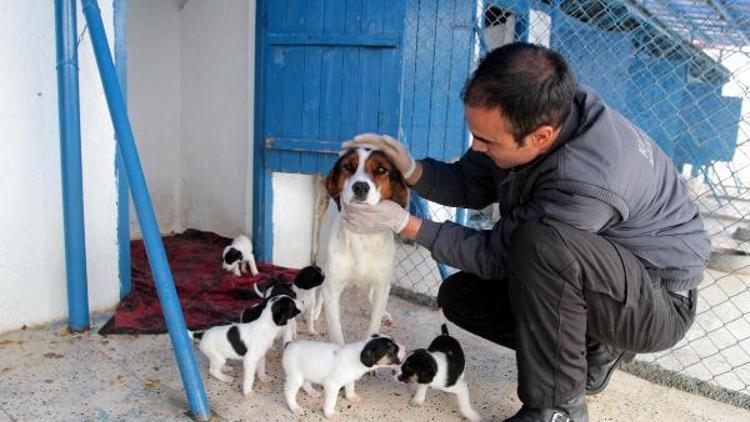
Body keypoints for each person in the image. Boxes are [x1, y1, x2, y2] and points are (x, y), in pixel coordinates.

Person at [340, 42, 708, 422]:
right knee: (462, 296)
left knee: (542, 244)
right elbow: (472, 180)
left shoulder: (584, 179)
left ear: (542, 137)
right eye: (474, 135)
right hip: (604, 280)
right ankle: (593, 353)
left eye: (487, 141)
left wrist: (406, 224)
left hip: (657, 302)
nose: (476, 147)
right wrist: (413, 170)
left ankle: (557, 408)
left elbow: (501, 255)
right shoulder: (535, 108)